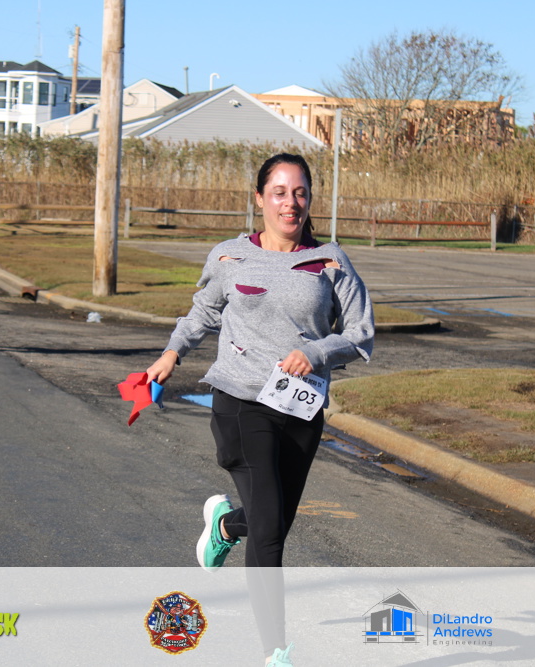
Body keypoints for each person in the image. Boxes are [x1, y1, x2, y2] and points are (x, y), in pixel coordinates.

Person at [145, 153, 374, 666]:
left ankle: (226, 527)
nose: (290, 203)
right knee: (270, 531)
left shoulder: (331, 260)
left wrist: (317, 352)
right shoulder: (230, 256)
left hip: (300, 408)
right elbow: (204, 310)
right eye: (279, 192)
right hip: (240, 401)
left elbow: (361, 335)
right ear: (259, 199)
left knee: (275, 520)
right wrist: (172, 353)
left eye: (300, 193)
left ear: (310, 199)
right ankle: (275, 652)